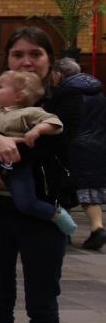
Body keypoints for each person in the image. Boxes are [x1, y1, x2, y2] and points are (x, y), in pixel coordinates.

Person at [0, 27, 81, 322]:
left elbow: (50, 147)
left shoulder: (64, 98)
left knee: (42, 302)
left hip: (40, 210)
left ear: (50, 59)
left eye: (35, 54)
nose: (26, 61)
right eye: (18, 54)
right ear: (8, 59)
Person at [0, 70, 72, 235]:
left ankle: (55, 214)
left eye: (0, 87)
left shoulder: (30, 112)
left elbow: (54, 122)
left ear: (18, 96)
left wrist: (37, 130)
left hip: (18, 167)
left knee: (26, 203)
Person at [56, 58, 106, 249]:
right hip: (98, 145)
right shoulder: (99, 94)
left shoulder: (66, 94)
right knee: (89, 189)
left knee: (62, 187)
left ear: (59, 74)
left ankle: (63, 231)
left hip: (73, 145)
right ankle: (97, 228)